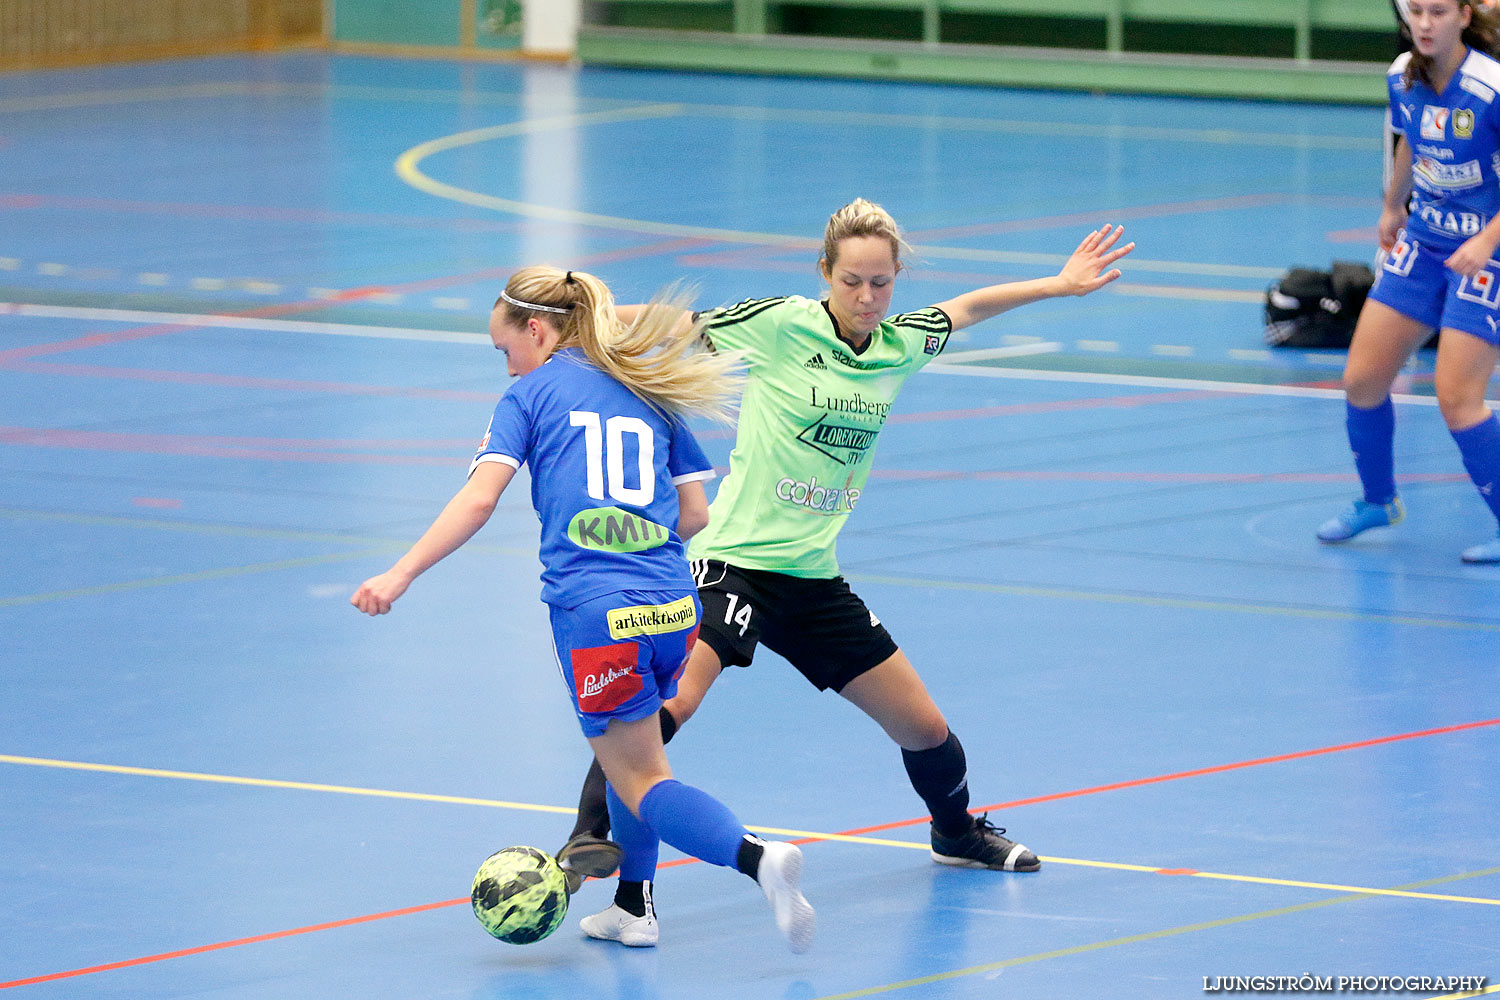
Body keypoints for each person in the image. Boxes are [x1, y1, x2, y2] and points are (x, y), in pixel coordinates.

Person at [558, 198, 1135, 945]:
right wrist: (582, 317)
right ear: (825, 272)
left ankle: (955, 833)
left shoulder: (898, 343)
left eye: (882, 284)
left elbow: (962, 309)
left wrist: (1058, 285)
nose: (867, 298)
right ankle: (592, 845)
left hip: (813, 578)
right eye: (854, 281)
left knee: (926, 730)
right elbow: (671, 324)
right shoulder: (780, 323)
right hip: (734, 562)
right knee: (673, 707)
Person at [350, 266, 815, 953]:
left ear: (536, 330)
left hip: (597, 614)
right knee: (641, 754)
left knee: (641, 777)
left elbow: (479, 501)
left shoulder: (528, 397)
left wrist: (401, 571)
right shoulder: (648, 388)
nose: (506, 367)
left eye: (505, 350)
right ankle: (635, 910)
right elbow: (695, 513)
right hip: (674, 606)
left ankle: (756, 859)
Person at [1317, 0, 1500, 563]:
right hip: (1425, 239)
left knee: (1457, 399)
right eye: (1416, 11)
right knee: (1362, 381)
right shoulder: (1401, 75)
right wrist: (1393, 207)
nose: (1424, 23)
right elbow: (1410, 139)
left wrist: (1486, 242)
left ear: (1464, 17)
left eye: (1438, 12)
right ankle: (1379, 501)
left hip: (1488, 248)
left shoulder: (1490, 88)